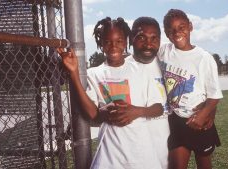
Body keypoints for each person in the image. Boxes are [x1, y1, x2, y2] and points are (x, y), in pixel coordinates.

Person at [57, 17, 164, 169]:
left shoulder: (140, 70)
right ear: (101, 44)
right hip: (111, 153)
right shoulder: (94, 74)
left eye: (119, 41)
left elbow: (158, 108)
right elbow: (93, 115)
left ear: (126, 42)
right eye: (108, 42)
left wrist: (136, 111)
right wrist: (74, 73)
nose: (114, 46)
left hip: (141, 152)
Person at [158, 9, 223, 169]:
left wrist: (205, 114)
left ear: (190, 26)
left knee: (204, 164)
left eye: (182, 27)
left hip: (199, 121)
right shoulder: (163, 51)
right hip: (176, 121)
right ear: (166, 34)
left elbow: (214, 95)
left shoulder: (204, 58)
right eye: (171, 30)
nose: (177, 32)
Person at [126, 16, 170, 169]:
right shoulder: (122, 68)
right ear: (131, 39)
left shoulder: (166, 64)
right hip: (134, 153)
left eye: (154, 38)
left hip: (164, 150)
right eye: (141, 37)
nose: (148, 44)